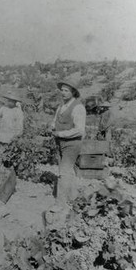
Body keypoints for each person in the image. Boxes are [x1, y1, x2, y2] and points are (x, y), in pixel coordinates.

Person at [49, 80, 86, 209]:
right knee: (66, 170)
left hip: (72, 143)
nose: (63, 93)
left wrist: (61, 134)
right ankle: (73, 195)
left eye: (66, 91)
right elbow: (55, 120)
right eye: (62, 90)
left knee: (64, 171)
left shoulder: (78, 107)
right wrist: (52, 126)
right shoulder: (61, 106)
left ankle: (60, 203)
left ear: (73, 92)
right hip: (61, 142)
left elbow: (79, 130)